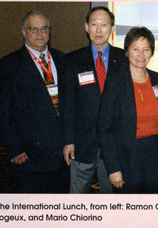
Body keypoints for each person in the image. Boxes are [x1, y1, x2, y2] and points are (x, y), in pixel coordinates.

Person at [0, 10, 69, 193]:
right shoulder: (6, 66)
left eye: (44, 28)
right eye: (34, 29)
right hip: (29, 157)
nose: (40, 34)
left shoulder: (63, 59)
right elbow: (3, 113)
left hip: (63, 154)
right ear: (23, 32)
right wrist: (13, 148)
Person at [62, 6, 127, 193]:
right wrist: (68, 140)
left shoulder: (123, 59)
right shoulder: (72, 60)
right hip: (82, 144)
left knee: (110, 199)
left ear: (112, 28)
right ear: (86, 27)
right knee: (78, 197)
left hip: (113, 145)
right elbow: (68, 105)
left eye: (104, 25)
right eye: (94, 25)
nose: (99, 31)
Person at [97, 27, 158, 193]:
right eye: (135, 49)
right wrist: (113, 168)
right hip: (125, 157)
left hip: (153, 155)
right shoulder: (115, 82)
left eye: (146, 49)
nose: (141, 55)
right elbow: (103, 129)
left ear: (152, 52)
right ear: (127, 51)